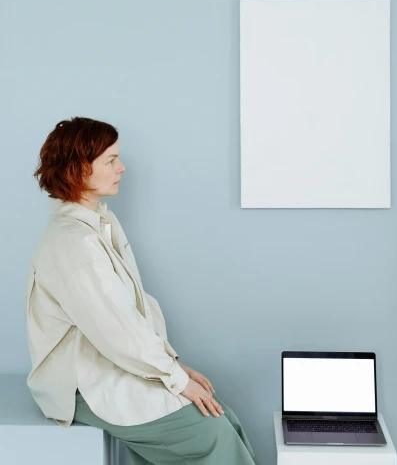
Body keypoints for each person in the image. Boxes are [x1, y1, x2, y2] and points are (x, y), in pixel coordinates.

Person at [26, 116, 259, 465]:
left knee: (222, 416)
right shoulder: (75, 242)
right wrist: (174, 377)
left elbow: (133, 313)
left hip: (115, 365)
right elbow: (118, 329)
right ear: (78, 170)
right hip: (83, 385)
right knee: (211, 432)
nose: (122, 167)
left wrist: (174, 366)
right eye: (110, 160)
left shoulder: (100, 223)